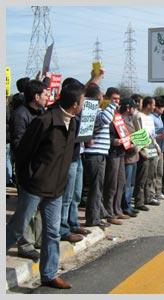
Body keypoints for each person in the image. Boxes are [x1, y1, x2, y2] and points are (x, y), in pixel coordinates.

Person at [6, 82, 86, 289]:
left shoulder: (74, 123)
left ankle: (49, 275)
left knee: (52, 232)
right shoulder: (45, 121)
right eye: (83, 101)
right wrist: (28, 179)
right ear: (75, 104)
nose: (84, 104)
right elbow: (23, 153)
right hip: (35, 187)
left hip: (56, 188)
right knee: (17, 228)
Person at [9, 79, 48, 261]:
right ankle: (24, 244)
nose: (48, 97)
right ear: (36, 96)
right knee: (27, 209)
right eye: (45, 94)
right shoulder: (20, 114)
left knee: (39, 207)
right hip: (27, 169)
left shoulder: (41, 112)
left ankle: (37, 239)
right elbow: (18, 144)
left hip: (41, 168)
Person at [83, 80, 120, 229]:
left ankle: (97, 215)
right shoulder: (94, 112)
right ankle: (93, 219)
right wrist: (111, 105)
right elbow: (105, 120)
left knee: (98, 187)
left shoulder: (97, 111)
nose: (103, 98)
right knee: (96, 188)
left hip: (99, 154)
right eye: (102, 96)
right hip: (94, 154)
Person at [59, 78, 91, 243]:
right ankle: (63, 229)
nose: (83, 103)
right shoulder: (61, 115)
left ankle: (73, 222)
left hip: (77, 156)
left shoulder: (77, 116)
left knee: (76, 194)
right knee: (67, 196)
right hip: (68, 160)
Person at [102, 88, 130, 224]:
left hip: (121, 153)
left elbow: (123, 132)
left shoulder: (118, 115)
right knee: (111, 184)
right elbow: (103, 133)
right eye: (114, 99)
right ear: (107, 99)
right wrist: (114, 141)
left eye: (118, 99)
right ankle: (109, 212)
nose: (117, 102)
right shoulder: (104, 114)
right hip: (111, 153)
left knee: (121, 182)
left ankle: (117, 209)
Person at [132, 96, 162, 211]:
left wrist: (157, 146)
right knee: (142, 176)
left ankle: (148, 196)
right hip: (143, 148)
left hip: (152, 147)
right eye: (153, 105)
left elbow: (152, 134)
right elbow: (138, 131)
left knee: (151, 174)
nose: (154, 107)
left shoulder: (150, 118)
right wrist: (141, 149)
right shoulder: (138, 116)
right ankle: (139, 201)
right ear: (148, 105)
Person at [120, 98, 140, 217]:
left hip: (135, 156)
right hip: (127, 156)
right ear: (128, 108)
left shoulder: (131, 119)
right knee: (126, 184)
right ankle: (125, 206)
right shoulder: (121, 120)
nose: (135, 110)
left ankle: (129, 205)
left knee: (132, 183)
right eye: (133, 107)